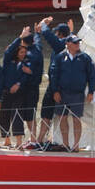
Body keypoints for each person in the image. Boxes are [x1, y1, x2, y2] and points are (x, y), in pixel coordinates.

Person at [49, 35, 95, 151]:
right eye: (75, 43)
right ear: (68, 44)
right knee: (62, 118)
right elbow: (53, 75)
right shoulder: (60, 57)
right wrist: (55, 91)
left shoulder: (85, 58)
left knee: (76, 119)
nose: (77, 45)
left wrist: (91, 91)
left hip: (77, 93)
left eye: (78, 43)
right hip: (62, 93)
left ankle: (76, 144)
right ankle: (65, 143)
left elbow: (92, 75)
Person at [32, 17, 72, 146]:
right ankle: (41, 139)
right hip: (54, 85)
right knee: (46, 113)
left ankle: (63, 143)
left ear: (59, 35)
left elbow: (50, 38)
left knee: (59, 115)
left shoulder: (62, 46)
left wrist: (43, 25)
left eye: (57, 33)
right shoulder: (68, 44)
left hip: (59, 87)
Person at [0, 33, 34, 149]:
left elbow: (26, 77)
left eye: (24, 52)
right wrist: (19, 38)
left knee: (17, 115)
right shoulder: (8, 61)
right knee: (3, 116)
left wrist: (18, 84)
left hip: (19, 93)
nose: (23, 54)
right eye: (21, 52)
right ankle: (7, 140)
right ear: (16, 52)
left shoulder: (26, 63)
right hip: (6, 92)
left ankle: (19, 142)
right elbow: (8, 52)